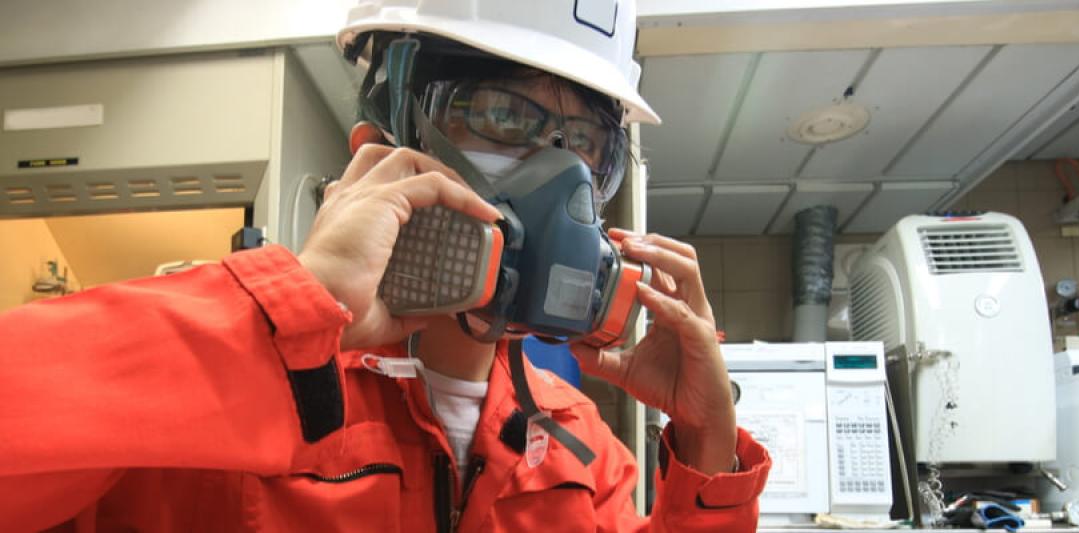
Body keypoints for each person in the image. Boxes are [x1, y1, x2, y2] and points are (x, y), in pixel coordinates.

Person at [0, 1, 770, 531]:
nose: (562, 181)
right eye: (504, 115)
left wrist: (707, 448)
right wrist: (276, 330)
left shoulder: (584, 451)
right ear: (381, 146)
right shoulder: (215, 401)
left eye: (587, 146)